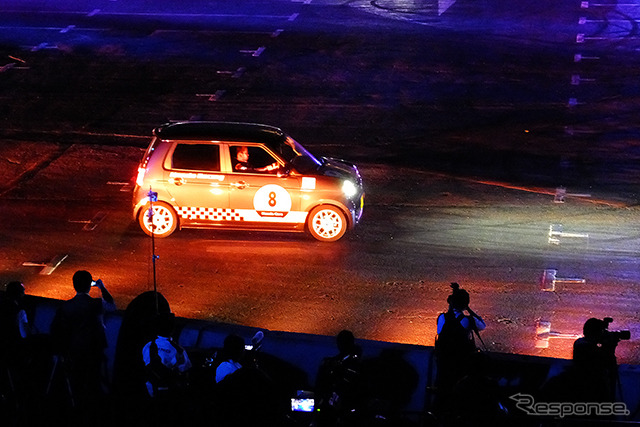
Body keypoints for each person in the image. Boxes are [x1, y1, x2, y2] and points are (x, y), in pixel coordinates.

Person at [50, 270, 116, 418]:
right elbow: (112, 305)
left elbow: (58, 330)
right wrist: (102, 287)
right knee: (93, 381)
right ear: (88, 285)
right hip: (94, 349)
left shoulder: (66, 307)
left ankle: (77, 410)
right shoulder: (97, 303)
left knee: (77, 381)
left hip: (74, 350)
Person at [433, 282, 486, 416]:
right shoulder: (467, 320)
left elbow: (440, 332)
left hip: (443, 363)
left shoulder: (441, 318)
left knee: (442, 394)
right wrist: (469, 309)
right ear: (464, 304)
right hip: (461, 364)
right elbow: (482, 325)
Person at [314, 330, 365, 427]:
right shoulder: (331, 362)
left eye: (344, 342)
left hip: (343, 406)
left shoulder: (353, 364)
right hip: (333, 406)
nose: (342, 345)